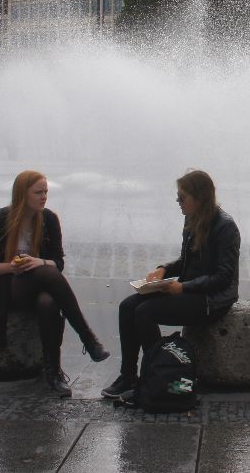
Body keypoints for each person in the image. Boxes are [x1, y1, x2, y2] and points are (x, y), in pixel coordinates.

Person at [102, 169, 240, 401]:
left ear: (199, 198)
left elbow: (224, 277)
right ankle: (128, 376)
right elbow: (187, 261)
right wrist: (164, 269)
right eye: (178, 197)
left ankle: (157, 377)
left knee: (145, 312)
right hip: (190, 292)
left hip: (212, 301)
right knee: (128, 306)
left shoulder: (225, 227)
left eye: (182, 197)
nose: (178, 202)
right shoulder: (192, 219)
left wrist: (183, 288)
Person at [0, 170, 109, 396]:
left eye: (46, 192)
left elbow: (58, 262)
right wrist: (12, 266)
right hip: (10, 287)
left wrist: (38, 261)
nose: (43, 197)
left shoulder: (48, 219)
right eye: (38, 192)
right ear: (22, 194)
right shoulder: (0, 220)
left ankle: (53, 372)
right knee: (46, 274)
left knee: (48, 302)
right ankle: (87, 337)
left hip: (40, 287)